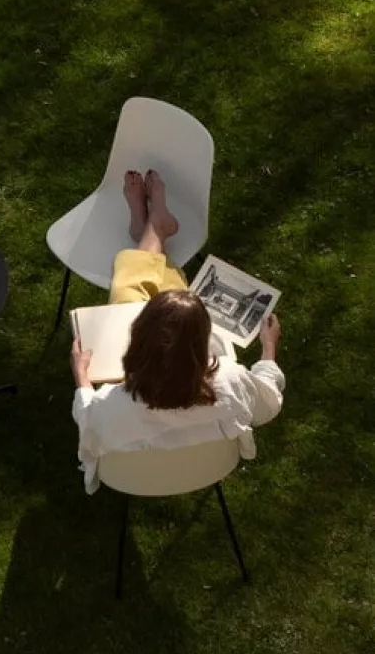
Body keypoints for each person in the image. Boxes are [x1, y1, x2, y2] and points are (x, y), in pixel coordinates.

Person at [71, 169, 285, 493]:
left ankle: (151, 230)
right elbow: (269, 402)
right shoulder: (230, 382)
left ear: (138, 341)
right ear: (201, 347)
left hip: (131, 479)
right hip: (208, 467)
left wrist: (82, 376)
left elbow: (87, 419)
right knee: (152, 292)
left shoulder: (115, 406)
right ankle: (153, 230)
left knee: (128, 292)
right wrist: (268, 348)